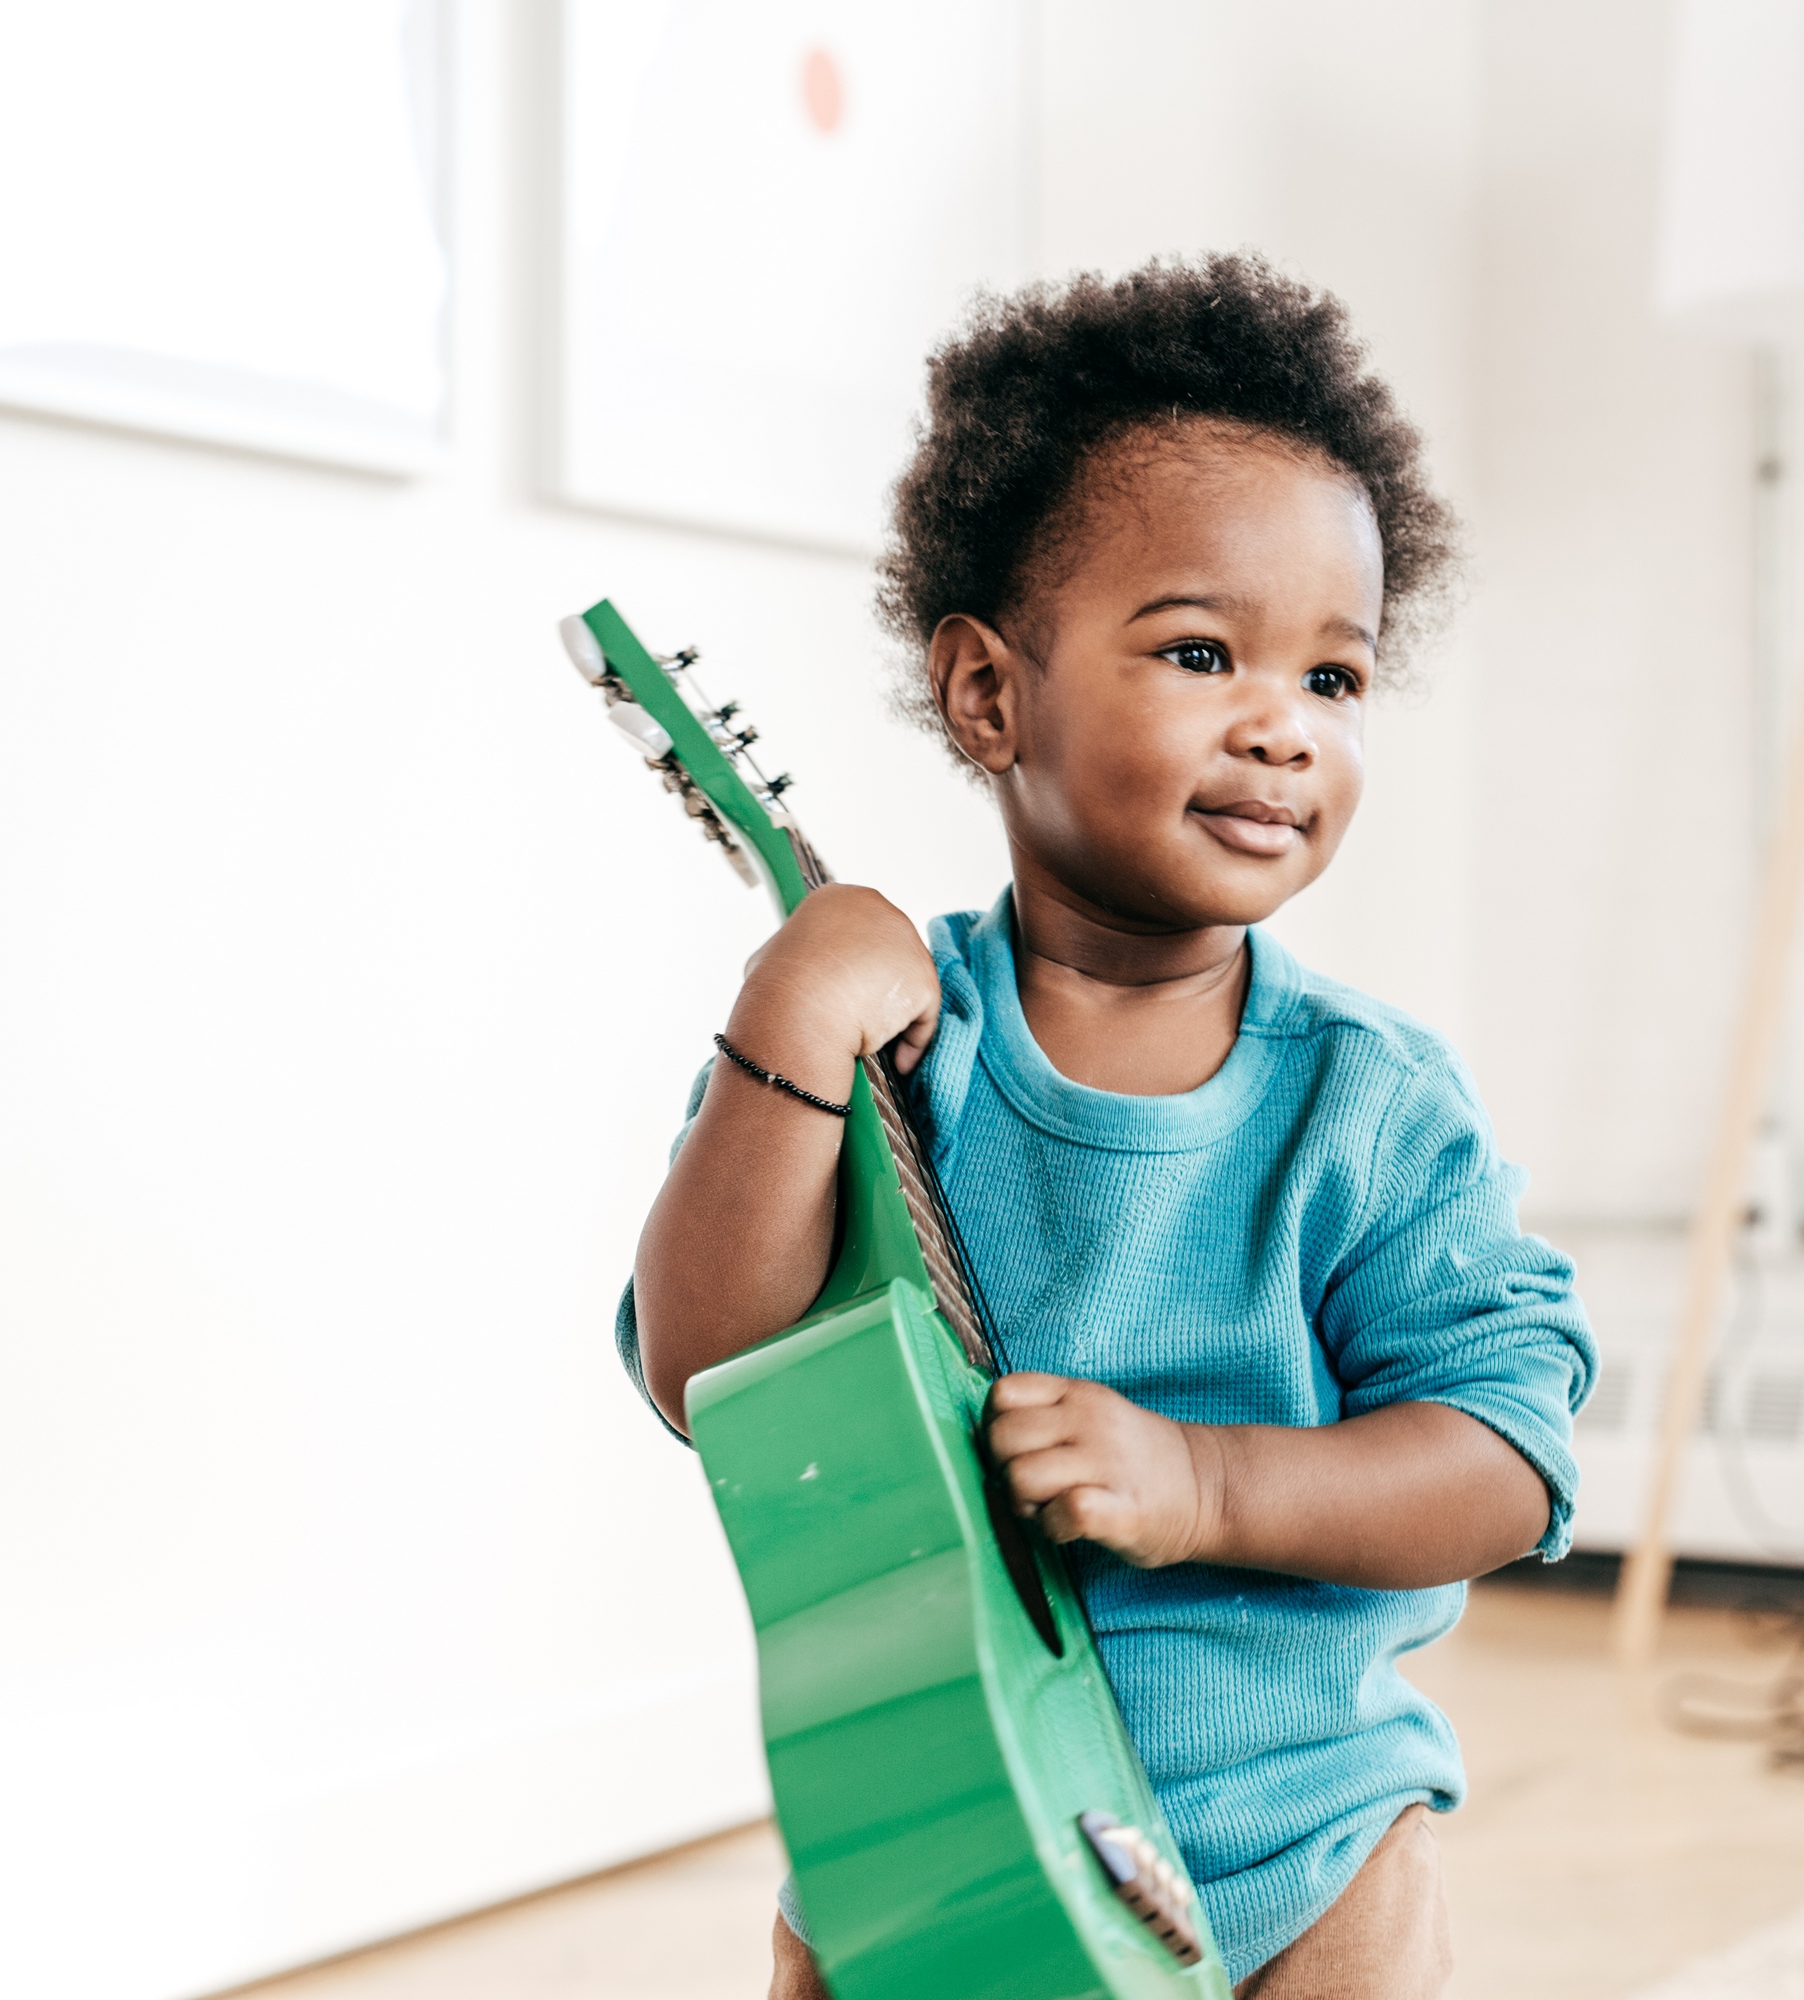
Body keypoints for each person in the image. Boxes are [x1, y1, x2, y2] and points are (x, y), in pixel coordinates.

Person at [620, 253, 1596, 1998]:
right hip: (927, 1815)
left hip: (1306, 1838)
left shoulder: (1367, 1106)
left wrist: (1204, 1476)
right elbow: (707, 1374)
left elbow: (1506, 1458)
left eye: (1336, 680)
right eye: (1205, 651)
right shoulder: (885, 1050)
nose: (1282, 730)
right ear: (992, 696)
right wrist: (783, 1029)